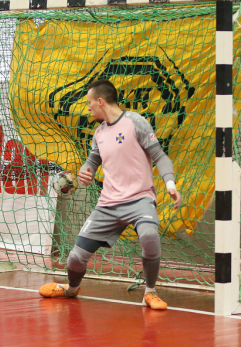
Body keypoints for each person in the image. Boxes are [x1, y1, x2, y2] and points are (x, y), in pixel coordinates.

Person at [39, 79, 181, 310]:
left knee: (149, 237)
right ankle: (71, 289)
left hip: (140, 200)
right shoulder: (99, 133)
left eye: (89, 102)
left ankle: (150, 292)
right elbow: (92, 161)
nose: (88, 108)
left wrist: (170, 184)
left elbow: (160, 156)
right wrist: (86, 170)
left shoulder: (135, 122)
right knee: (75, 258)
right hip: (107, 205)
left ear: (100, 101)